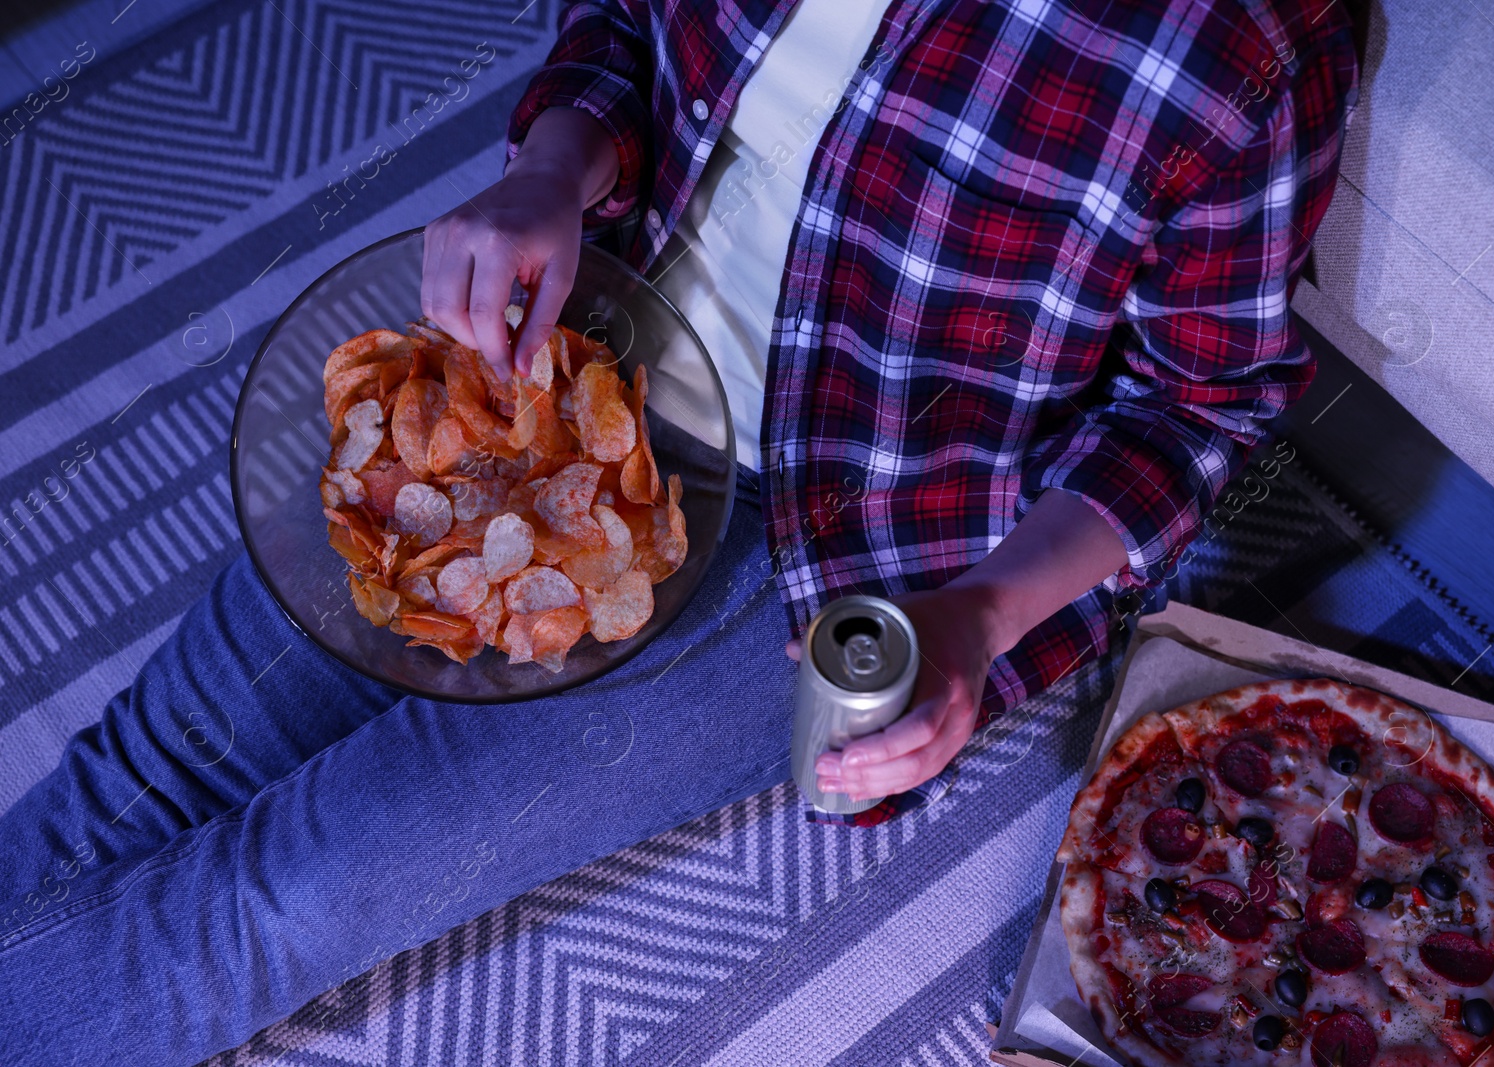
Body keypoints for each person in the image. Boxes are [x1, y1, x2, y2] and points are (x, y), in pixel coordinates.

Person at [0, 0, 1357, 1062]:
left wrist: (980, 617)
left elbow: (1198, 410)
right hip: (574, 366)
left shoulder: (1233, 46)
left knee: (274, 900)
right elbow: (626, 31)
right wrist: (551, 165)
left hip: (827, 549)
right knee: (150, 762)